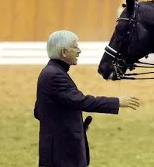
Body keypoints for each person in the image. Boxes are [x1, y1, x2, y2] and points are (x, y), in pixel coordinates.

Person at [34, 30, 141, 167]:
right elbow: (81, 101)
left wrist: (71, 124)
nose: (79, 51)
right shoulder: (55, 76)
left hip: (57, 148)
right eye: (75, 47)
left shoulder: (51, 72)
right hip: (61, 152)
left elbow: (39, 111)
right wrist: (116, 102)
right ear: (63, 52)